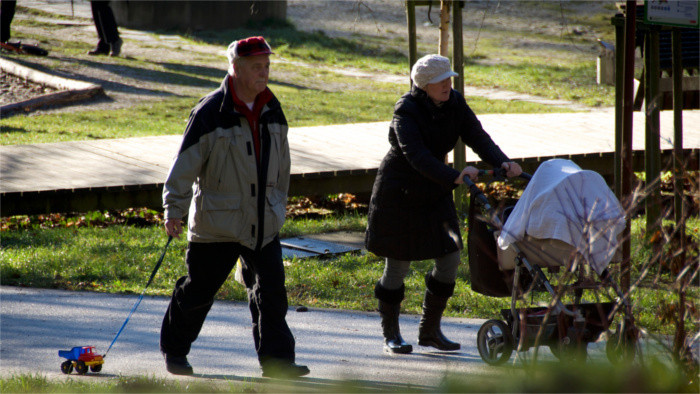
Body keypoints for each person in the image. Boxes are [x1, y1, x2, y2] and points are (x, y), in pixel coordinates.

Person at [159, 36, 309, 379]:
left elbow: (282, 165)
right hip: (217, 223)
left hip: (263, 222)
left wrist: (278, 206)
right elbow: (183, 166)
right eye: (257, 67)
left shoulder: (273, 108)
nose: (264, 73)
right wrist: (174, 210)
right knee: (198, 292)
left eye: (267, 66)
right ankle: (175, 350)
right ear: (235, 68)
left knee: (271, 294)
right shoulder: (210, 112)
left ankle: (278, 362)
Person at [365, 54, 522, 354]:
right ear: (424, 85)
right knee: (398, 265)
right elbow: (417, 156)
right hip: (400, 193)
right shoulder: (405, 112)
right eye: (441, 81)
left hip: (436, 190)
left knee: (450, 258)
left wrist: (504, 162)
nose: (448, 85)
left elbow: (477, 136)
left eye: (449, 78)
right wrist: (454, 176)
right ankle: (391, 335)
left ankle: (430, 330)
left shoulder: (455, 103)